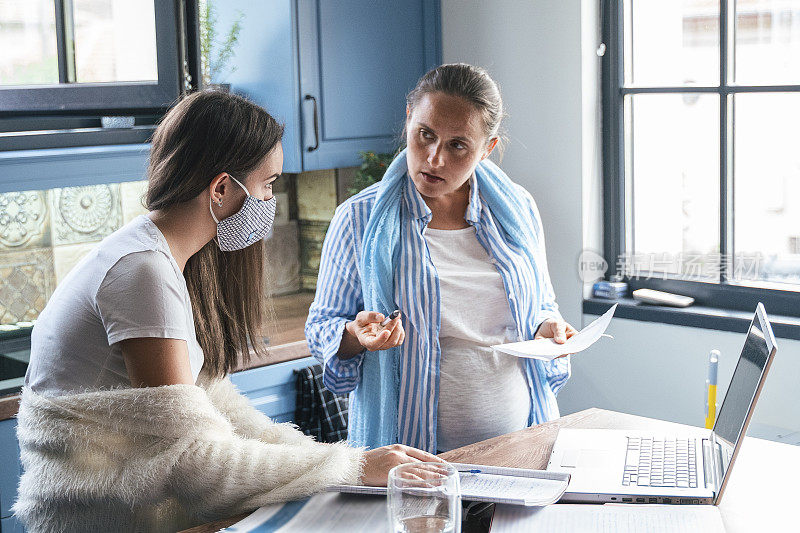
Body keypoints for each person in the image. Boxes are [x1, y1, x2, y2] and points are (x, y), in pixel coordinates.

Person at [13, 90, 440, 533]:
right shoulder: (143, 274)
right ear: (221, 189)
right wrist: (349, 467)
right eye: (268, 184)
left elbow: (222, 413)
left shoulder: (163, 259)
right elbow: (197, 466)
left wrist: (345, 464)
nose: (270, 200)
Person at [306, 63, 577, 453]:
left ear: (488, 149)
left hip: (520, 447)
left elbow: (540, 305)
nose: (434, 159)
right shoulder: (360, 219)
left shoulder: (518, 209)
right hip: (411, 463)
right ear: (409, 118)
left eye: (458, 145)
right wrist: (356, 336)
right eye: (425, 135)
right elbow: (321, 329)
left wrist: (546, 326)